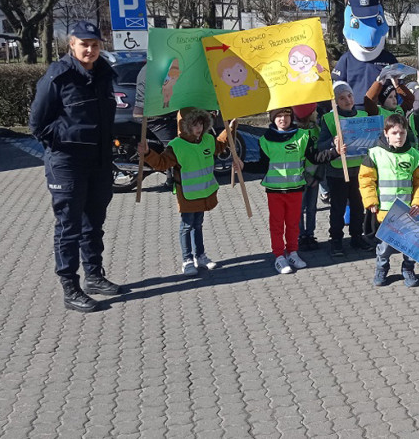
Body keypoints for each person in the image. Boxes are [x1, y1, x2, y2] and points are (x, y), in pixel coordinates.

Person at [28, 21, 122, 313]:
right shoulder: (59, 76)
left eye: (95, 44)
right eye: (84, 44)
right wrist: (70, 141)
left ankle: (94, 276)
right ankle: (70, 287)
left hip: (100, 161)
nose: (90, 50)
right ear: (72, 44)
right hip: (67, 163)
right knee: (69, 227)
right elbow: (38, 125)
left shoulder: (105, 73)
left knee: (93, 223)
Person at [137, 108, 240, 276]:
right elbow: (162, 163)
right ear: (184, 126)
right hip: (187, 195)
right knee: (186, 226)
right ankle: (187, 260)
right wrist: (148, 153)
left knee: (198, 224)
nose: (198, 128)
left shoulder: (207, 139)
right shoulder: (177, 146)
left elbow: (220, 145)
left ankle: (200, 256)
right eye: (194, 124)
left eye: (200, 123)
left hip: (205, 193)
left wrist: (230, 128)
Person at [259, 106, 339, 274]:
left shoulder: (303, 136)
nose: (283, 119)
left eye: (286, 115)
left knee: (293, 224)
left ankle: (293, 252)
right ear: (273, 119)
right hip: (275, 192)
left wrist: (335, 152)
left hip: (295, 189)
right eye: (278, 116)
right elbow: (261, 166)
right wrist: (242, 165)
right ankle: (279, 256)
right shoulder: (265, 140)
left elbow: (315, 157)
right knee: (277, 225)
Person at [359, 114, 419, 288]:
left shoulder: (415, 155)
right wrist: (371, 202)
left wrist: (418, 204)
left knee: (410, 246)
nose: (399, 137)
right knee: (384, 248)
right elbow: (366, 179)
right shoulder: (374, 154)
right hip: (385, 213)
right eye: (395, 133)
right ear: (386, 133)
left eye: (402, 133)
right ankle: (381, 269)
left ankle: (408, 269)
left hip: (408, 213)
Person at [317, 82, 374, 256]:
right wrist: (333, 145)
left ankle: (356, 237)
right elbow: (321, 145)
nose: (347, 100)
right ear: (335, 101)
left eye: (349, 96)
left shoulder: (363, 115)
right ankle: (336, 240)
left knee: (358, 206)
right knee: (338, 208)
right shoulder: (329, 119)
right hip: (338, 171)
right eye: (341, 98)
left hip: (360, 170)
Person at [293, 103, 323, 251]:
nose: (317, 113)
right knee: (299, 209)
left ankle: (310, 234)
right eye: (314, 111)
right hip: (300, 178)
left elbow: (321, 152)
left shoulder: (317, 129)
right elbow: (297, 157)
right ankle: (300, 236)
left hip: (315, 177)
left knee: (312, 208)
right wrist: (306, 176)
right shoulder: (295, 132)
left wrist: (318, 176)